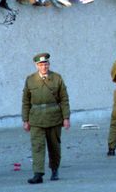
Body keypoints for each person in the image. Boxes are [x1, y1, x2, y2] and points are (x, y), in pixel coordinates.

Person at [21, 53, 71, 184]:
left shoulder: (57, 78)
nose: (44, 67)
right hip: (36, 118)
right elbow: (26, 101)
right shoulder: (30, 79)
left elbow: (64, 99)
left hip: (54, 117)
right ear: (36, 65)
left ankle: (54, 169)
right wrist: (25, 120)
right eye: (41, 64)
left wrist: (66, 117)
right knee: (37, 146)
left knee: (54, 146)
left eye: (46, 64)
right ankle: (38, 173)